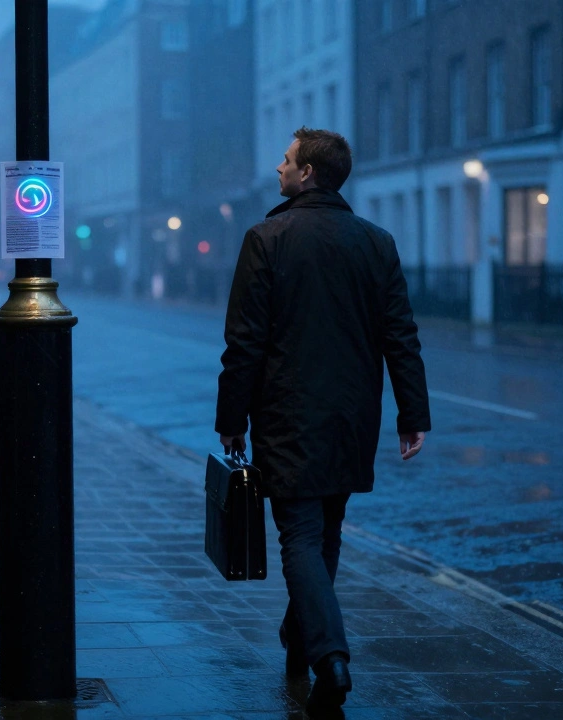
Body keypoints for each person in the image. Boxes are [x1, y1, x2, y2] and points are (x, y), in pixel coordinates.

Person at [215, 127, 431, 712]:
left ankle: (331, 659)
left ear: (307, 172)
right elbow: (400, 336)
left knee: (301, 537)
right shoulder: (376, 242)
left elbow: (244, 342)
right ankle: (300, 635)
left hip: (288, 414)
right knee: (325, 532)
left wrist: (231, 417)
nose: (278, 167)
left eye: (286, 159)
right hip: (353, 416)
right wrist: (412, 414)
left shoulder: (267, 238)